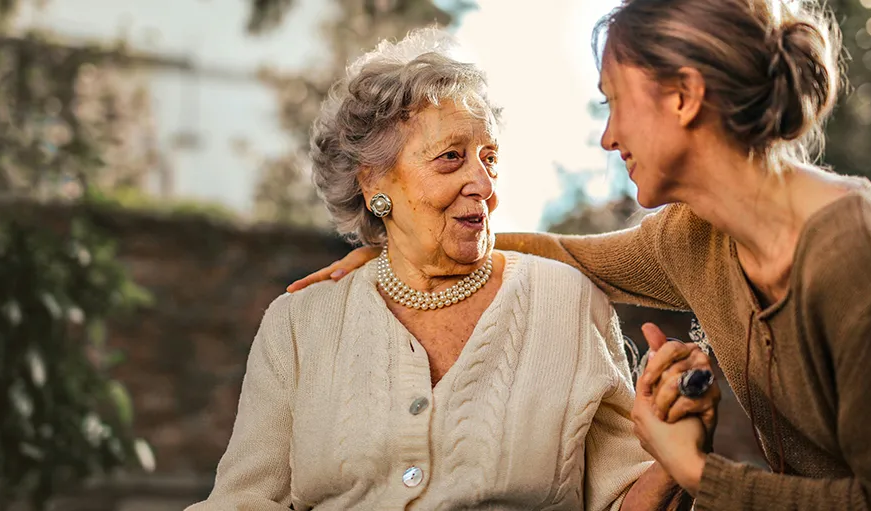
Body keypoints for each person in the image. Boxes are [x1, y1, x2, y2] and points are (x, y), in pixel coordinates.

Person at [287, 0, 871, 509]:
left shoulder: (864, 264)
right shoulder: (696, 237)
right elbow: (566, 255)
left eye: (614, 104)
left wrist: (699, 472)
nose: (608, 137)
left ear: (683, 96)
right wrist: (402, 250)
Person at [188, 29, 710, 511]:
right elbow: (243, 500)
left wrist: (673, 457)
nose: (483, 184)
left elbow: (621, 500)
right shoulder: (300, 323)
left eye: (489, 157)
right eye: (450, 158)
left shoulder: (567, 302)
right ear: (374, 185)